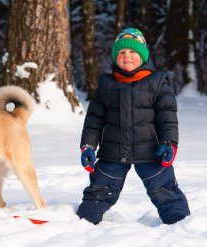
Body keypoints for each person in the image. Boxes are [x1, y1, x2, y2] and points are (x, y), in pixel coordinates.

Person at [77, 28, 190, 225]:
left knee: (165, 190)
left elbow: (167, 115)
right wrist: (88, 145)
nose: (126, 56)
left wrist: (169, 142)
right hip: (113, 151)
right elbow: (94, 119)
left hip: (151, 151)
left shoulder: (157, 82)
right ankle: (83, 223)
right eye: (121, 52)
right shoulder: (106, 84)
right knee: (99, 190)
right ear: (115, 57)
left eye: (132, 52)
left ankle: (180, 225)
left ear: (143, 55)